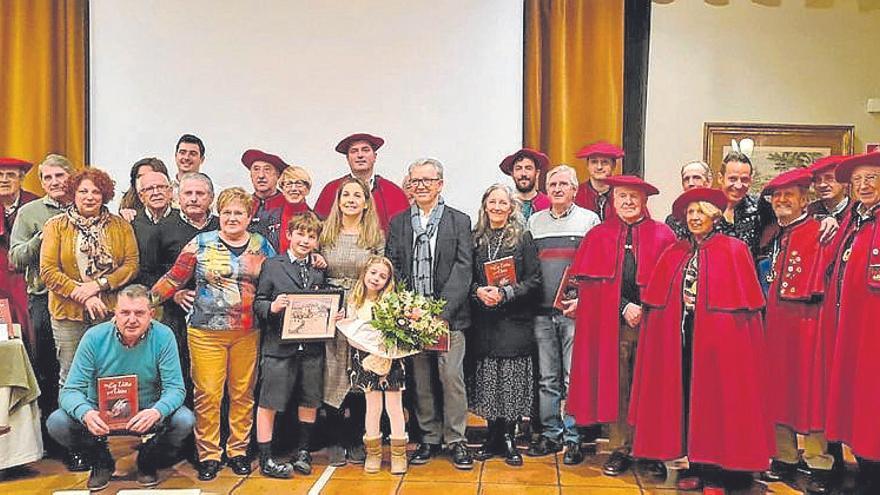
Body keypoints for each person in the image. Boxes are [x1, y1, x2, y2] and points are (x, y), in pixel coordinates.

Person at [628, 187, 773, 492]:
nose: (694, 218)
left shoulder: (734, 249)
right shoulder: (677, 252)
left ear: (714, 217)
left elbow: (746, 311)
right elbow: (660, 302)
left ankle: (723, 471)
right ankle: (697, 464)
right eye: (690, 213)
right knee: (689, 400)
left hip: (724, 345)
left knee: (720, 401)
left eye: (700, 213)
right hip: (684, 338)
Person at [151, 187, 275, 481]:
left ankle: (238, 452)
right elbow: (174, 279)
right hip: (205, 333)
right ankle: (209, 455)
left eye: (239, 213)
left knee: (243, 394)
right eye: (228, 212)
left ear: (249, 216)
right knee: (208, 395)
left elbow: (279, 276)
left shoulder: (261, 245)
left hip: (248, 331)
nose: (233, 218)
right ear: (220, 214)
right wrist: (143, 302)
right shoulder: (200, 243)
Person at [567, 176, 676, 476]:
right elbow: (591, 285)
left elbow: (670, 281)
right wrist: (624, 306)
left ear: (644, 201)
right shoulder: (599, 235)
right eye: (622, 196)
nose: (627, 202)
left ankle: (651, 449)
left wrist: (644, 306)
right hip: (611, 326)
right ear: (613, 201)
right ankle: (620, 447)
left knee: (651, 387)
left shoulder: (663, 235)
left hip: (654, 324)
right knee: (620, 386)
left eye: (633, 197)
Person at [46, 285, 193, 491]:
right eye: (125, 312)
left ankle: (147, 460)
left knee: (185, 420)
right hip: (99, 413)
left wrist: (156, 411)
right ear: (114, 313)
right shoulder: (93, 337)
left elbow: (176, 389)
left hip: (146, 410)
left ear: (151, 314)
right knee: (57, 422)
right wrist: (86, 413)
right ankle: (100, 460)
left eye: (139, 313)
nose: (131, 319)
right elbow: (70, 391)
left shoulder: (164, 336)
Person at [386, 158, 474, 469]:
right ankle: (428, 438)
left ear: (440, 184)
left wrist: (443, 312)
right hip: (411, 317)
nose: (421, 186)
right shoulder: (398, 223)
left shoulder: (459, 221)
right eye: (415, 181)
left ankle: (456, 440)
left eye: (428, 180)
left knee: (451, 377)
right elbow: (393, 264)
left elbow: (464, 269)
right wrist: (408, 307)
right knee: (420, 379)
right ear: (409, 185)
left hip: (448, 319)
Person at [759, 168, 833, 494]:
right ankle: (785, 457)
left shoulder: (820, 231)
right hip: (775, 323)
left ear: (805, 199)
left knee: (809, 392)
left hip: (807, 324)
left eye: (789, 195)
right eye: (777, 196)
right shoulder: (772, 234)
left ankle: (819, 463)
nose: (782, 201)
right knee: (777, 390)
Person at [525, 165, 600, 460]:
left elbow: (595, 267)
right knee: (547, 378)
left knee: (572, 378)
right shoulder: (534, 222)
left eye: (563, 184)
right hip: (541, 312)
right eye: (552, 184)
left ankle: (573, 437)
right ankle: (551, 435)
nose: (557, 189)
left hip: (574, 313)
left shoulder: (589, 220)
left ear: (574, 189)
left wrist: (583, 300)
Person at [40, 166, 140, 385]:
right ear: (73, 194)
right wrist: (83, 294)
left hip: (109, 310)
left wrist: (99, 285)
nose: (89, 197)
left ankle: (110, 419)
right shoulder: (56, 226)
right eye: (83, 191)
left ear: (104, 196)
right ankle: (74, 419)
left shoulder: (120, 226)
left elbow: (131, 265)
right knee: (71, 373)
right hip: (67, 314)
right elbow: (48, 271)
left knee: (109, 373)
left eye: (96, 192)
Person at [467, 184, 541, 467]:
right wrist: (478, 292)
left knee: (510, 380)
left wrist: (506, 293)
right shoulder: (475, 238)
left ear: (511, 208)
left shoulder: (523, 238)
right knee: (488, 380)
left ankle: (509, 437)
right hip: (484, 321)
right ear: (485, 206)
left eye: (503, 203)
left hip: (514, 320)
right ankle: (492, 436)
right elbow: (466, 276)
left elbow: (534, 281)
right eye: (492, 202)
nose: (497, 207)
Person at [8, 153, 74, 458]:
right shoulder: (30, 212)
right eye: (47, 178)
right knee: (48, 370)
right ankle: (57, 442)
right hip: (44, 300)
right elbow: (15, 258)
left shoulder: (87, 204)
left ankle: (87, 438)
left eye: (59, 176)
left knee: (80, 372)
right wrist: (41, 237)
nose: (54, 182)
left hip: (83, 302)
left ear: (71, 176)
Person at [253, 212, 327, 478]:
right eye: (300, 234)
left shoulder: (319, 268)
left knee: (309, 398)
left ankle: (304, 451)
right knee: (269, 401)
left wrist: (333, 314)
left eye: (311, 236)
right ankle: (266, 458)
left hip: (311, 347)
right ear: (289, 235)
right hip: (278, 345)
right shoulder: (273, 265)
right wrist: (272, 307)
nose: (305, 240)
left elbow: (325, 301)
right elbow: (259, 301)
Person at [823, 152, 880, 491]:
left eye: (871, 178)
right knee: (856, 400)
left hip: (873, 331)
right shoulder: (854, 221)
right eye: (858, 180)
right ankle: (863, 469)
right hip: (850, 327)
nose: (864, 186)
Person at [319, 176, 385, 466]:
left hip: (362, 308)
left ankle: (357, 438)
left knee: (360, 372)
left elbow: (382, 273)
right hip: (331, 310)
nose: (351, 200)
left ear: (366, 202)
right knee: (332, 372)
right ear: (338, 199)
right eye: (346, 194)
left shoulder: (375, 236)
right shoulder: (325, 233)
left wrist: (366, 307)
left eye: (357, 195)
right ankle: (334, 440)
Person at [337, 256, 415, 475]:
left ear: (388, 281)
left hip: (392, 361)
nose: (376, 279)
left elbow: (399, 332)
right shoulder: (354, 301)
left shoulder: (392, 301)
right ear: (364, 273)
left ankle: (398, 454)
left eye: (382, 276)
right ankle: (373, 453)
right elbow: (351, 334)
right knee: (373, 408)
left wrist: (386, 352)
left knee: (394, 407)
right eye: (373, 273)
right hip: (365, 361)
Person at [147, 172, 219, 405]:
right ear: (178, 197)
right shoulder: (163, 229)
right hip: (176, 316)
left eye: (200, 193)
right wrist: (173, 294)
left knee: (213, 382)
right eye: (188, 193)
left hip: (219, 320)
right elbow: (147, 272)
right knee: (180, 373)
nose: (194, 198)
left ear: (211, 197)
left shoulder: (222, 226)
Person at [314, 133, 410, 232]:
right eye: (354, 151)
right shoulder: (331, 190)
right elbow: (316, 230)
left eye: (365, 150)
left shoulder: (393, 192)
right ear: (347, 158)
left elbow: (405, 234)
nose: (360, 155)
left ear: (375, 156)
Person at [0, 157, 39, 357]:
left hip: (28, 278)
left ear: (21, 179)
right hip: (1, 281)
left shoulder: (35, 205)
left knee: (32, 333)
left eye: (10, 175)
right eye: (0, 175)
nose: (4, 180)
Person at [715, 151, 775, 259]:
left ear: (750, 180)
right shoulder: (706, 209)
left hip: (749, 273)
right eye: (732, 179)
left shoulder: (761, 207)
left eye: (744, 180)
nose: (738, 185)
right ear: (720, 178)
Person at [130, 171, 176, 287]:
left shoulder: (183, 220)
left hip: (177, 293)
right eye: (149, 189)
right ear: (141, 197)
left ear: (170, 192)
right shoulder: (131, 223)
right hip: (141, 293)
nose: (156, 193)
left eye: (161, 187)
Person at [242, 149, 289, 250]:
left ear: (278, 175)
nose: (261, 176)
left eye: (267, 170)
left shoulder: (291, 206)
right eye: (256, 169)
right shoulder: (243, 205)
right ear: (250, 175)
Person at [573, 141, 624, 220]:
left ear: (614, 166)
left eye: (605, 162)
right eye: (594, 162)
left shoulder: (625, 194)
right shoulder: (575, 194)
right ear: (587, 165)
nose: (599, 167)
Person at [499, 149, 550, 220]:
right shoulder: (504, 204)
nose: (523, 173)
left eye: (528, 168)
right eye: (518, 168)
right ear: (512, 174)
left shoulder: (549, 204)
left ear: (537, 173)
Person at [665, 160, 712, 239]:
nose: (691, 183)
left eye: (696, 178)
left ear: (708, 182)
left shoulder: (716, 216)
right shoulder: (673, 220)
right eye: (686, 179)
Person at [272, 164, 313, 254]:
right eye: (289, 184)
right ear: (282, 190)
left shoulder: (317, 220)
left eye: (299, 184)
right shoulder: (270, 217)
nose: (294, 189)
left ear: (307, 189)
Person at [808, 155, 849, 222]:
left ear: (845, 182)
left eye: (829, 179)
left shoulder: (858, 211)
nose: (822, 185)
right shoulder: (809, 212)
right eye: (818, 180)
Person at [170, 133, 206, 203]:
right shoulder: (166, 190)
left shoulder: (213, 191)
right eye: (182, 152)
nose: (186, 157)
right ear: (175, 156)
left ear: (202, 159)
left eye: (193, 154)